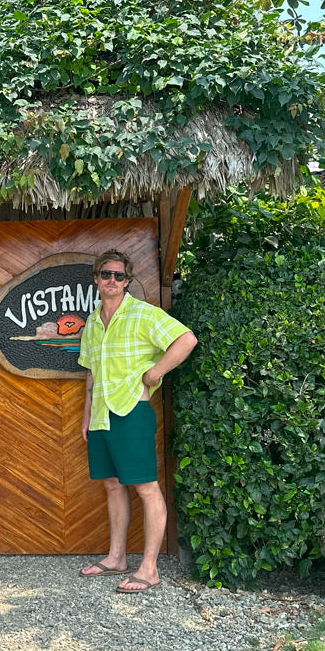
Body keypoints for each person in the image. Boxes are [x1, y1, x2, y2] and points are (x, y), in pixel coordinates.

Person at [76, 250, 197, 593]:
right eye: (104, 274)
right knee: (112, 485)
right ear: (96, 279)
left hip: (132, 411)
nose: (110, 280)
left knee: (145, 487)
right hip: (101, 416)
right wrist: (86, 416)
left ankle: (149, 569)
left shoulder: (144, 314)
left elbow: (186, 340)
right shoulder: (93, 323)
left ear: (127, 281)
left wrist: (155, 372)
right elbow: (90, 375)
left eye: (117, 275)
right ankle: (116, 558)